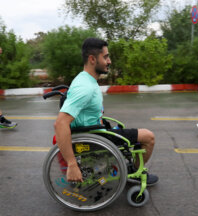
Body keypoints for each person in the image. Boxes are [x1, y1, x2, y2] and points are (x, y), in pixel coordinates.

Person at [54, 38, 158, 185]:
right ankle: (134, 173)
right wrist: (72, 164)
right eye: (105, 57)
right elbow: (60, 123)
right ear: (92, 59)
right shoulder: (85, 87)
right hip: (95, 138)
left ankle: (130, 168)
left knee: (133, 135)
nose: (109, 61)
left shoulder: (87, 79)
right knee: (148, 137)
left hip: (97, 132)